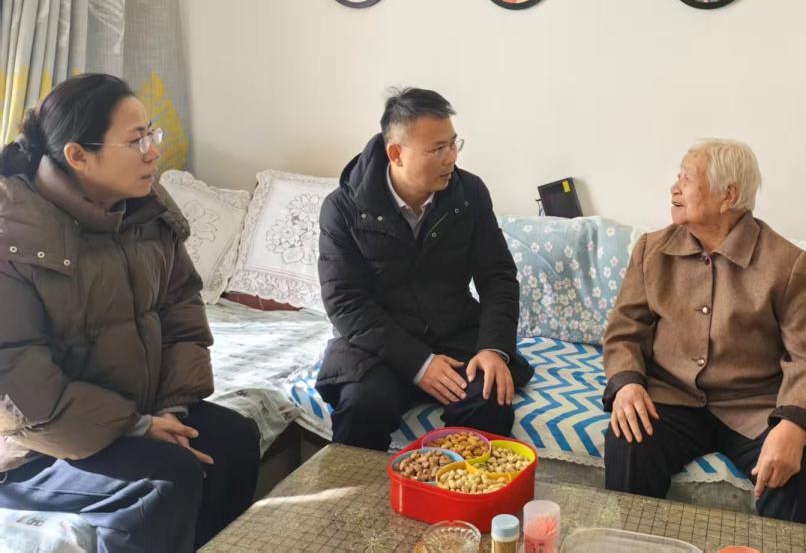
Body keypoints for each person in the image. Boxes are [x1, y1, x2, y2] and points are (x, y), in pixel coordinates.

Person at [0, 74, 259, 552]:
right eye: (136, 140)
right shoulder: (13, 235)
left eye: (151, 133)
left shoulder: (147, 212)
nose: (153, 152)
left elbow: (181, 308)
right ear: (78, 155)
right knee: (166, 476)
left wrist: (170, 409)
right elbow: (17, 383)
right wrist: (135, 426)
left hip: (131, 411)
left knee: (236, 438)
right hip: (32, 446)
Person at [602, 138, 806, 526]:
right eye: (677, 178)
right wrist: (627, 384)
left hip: (756, 408)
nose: (674, 188)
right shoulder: (651, 250)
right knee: (628, 441)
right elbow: (623, 330)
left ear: (727, 195)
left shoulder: (787, 264)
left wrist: (794, 427)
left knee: (804, 473)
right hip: (671, 397)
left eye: (686, 179)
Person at [315, 87, 533, 451]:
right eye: (437, 149)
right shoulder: (343, 208)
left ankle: (457, 488)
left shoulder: (469, 194)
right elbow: (345, 302)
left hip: (456, 335)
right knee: (363, 407)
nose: (451, 158)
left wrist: (493, 349)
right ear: (396, 154)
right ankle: (358, 491)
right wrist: (419, 364)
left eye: (453, 144)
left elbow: (498, 278)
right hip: (378, 347)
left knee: (490, 400)